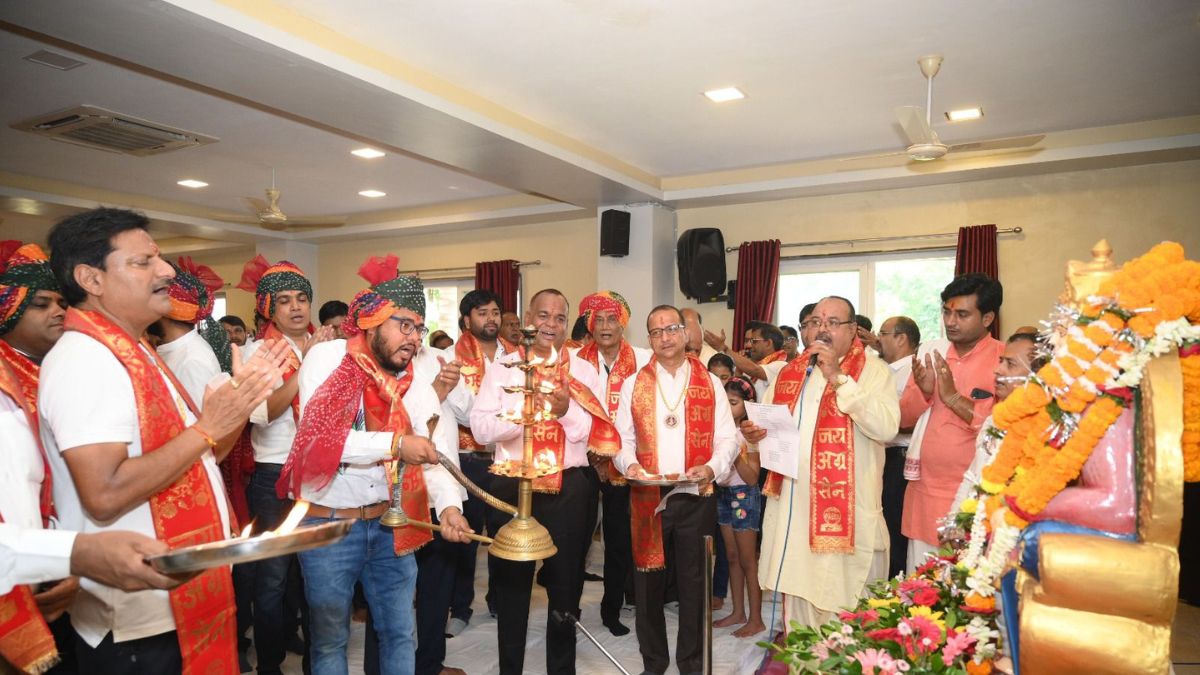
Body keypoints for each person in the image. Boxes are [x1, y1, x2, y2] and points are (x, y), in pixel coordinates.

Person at [40, 207, 284, 672]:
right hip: (137, 621)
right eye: (142, 262)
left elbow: (202, 459)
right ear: (90, 278)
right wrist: (207, 427)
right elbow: (105, 494)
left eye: (160, 258)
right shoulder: (85, 360)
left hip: (173, 604)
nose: (167, 270)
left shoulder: (136, 351)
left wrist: (238, 404)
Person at [280, 257, 470, 675]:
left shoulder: (413, 376)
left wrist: (450, 507)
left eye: (419, 328)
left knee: (401, 633)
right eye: (405, 325)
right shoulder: (327, 359)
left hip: (391, 525)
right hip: (328, 525)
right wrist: (398, 444)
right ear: (371, 320)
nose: (414, 338)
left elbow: (433, 448)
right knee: (330, 641)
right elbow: (321, 440)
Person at [469, 288, 617, 675]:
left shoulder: (583, 370)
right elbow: (481, 428)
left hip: (570, 486)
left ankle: (561, 669)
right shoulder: (504, 367)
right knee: (512, 584)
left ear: (569, 324)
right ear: (527, 319)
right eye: (543, 316)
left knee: (566, 585)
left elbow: (594, 435)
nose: (551, 325)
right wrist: (522, 412)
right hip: (511, 485)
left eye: (560, 318)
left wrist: (566, 411)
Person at [743, 296, 899, 628]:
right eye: (815, 322)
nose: (822, 329)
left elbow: (886, 427)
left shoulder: (873, 371)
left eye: (832, 322)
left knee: (845, 611)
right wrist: (757, 435)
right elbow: (773, 425)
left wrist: (840, 378)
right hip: (794, 513)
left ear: (853, 329)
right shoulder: (790, 372)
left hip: (845, 516)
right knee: (799, 610)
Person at [614, 305, 739, 675]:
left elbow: (728, 438)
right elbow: (620, 440)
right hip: (647, 496)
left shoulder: (710, 382)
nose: (665, 337)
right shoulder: (633, 384)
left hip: (694, 493)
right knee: (648, 586)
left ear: (685, 333)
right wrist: (629, 465)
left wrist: (712, 468)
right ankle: (653, 663)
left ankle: (691, 664)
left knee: (693, 585)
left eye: (671, 329)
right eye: (656, 332)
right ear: (648, 338)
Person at [236, 254, 335, 675]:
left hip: (320, 470)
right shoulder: (257, 353)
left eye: (301, 299)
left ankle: (315, 656)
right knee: (273, 577)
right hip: (274, 472)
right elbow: (264, 413)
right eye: (284, 301)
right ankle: (270, 663)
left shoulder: (329, 348)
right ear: (268, 309)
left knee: (315, 573)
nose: (295, 307)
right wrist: (307, 364)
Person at [901, 274, 1004, 571]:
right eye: (946, 312)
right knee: (918, 591)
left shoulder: (1004, 360)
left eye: (961, 314)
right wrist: (925, 391)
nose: (950, 321)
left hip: (972, 498)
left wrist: (952, 397)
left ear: (987, 318)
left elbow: (1002, 429)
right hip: (923, 494)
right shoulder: (931, 354)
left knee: (962, 592)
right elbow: (904, 419)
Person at [574, 290, 651, 636]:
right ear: (590, 325)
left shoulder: (644, 360)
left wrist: (617, 457)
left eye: (612, 319)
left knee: (619, 542)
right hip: (581, 461)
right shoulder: (574, 360)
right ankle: (568, 608)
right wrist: (593, 454)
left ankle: (611, 609)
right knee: (575, 539)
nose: (605, 326)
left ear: (623, 323)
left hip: (624, 463)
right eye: (598, 320)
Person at [446, 290, 515, 636]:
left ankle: (501, 601)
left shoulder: (516, 356)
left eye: (495, 312)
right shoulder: (450, 357)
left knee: (504, 534)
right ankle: (460, 607)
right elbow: (465, 412)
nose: (491, 319)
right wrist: (503, 417)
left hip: (506, 460)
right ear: (466, 320)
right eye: (482, 313)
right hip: (468, 460)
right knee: (466, 537)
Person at [948, 331, 1047, 514]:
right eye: (1001, 361)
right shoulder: (994, 420)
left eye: (1010, 364)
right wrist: (954, 520)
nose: (998, 369)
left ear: (1038, 376)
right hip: (979, 525)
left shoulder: (1046, 429)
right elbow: (973, 477)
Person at [713, 376, 765, 638]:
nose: (727, 406)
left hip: (744, 495)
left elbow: (753, 477)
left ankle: (756, 619)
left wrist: (732, 455)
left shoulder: (750, 434)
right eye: (725, 401)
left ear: (746, 405)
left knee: (747, 560)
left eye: (733, 402)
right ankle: (738, 612)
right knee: (731, 557)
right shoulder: (719, 429)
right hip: (723, 494)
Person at [875, 315, 920, 578]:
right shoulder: (884, 371)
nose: (878, 339)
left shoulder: (913, 371)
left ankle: (897, 591)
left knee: (895, 528)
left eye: (883, 333)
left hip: (900, 459)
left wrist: (882, 421)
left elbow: (908, 419)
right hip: (883, 456)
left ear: (901, 338)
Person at [703, 320, 788, 400]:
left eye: (754, 341)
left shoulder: (781, 365)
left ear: (768, 343)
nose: (751, 346)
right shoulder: (752, 365)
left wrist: (724, 348)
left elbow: (756, 370)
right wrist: (739, 367)